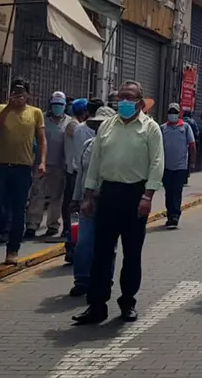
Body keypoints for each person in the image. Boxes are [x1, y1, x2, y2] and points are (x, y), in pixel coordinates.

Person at [73, 80, 164, 325]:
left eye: (130, 97)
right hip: (108, 193)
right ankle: (96, 305)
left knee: (132, 254)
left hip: (135, 196)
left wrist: (148, 195)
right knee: (101, 253)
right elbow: (96, 161)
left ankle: (127, 303)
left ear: (140, 101)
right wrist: (89, 194)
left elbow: (157, 163)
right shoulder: (107, 126)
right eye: (121, 97)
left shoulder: (150, 128)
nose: (124, 101)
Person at [0, 78, 46, 267]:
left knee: (18, 211)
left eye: (22, 92)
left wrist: (42, 162)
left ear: (28, 94)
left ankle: (12, 250)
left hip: (23, 168)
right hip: (1, 167)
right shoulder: (1, 109)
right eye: (15, 92)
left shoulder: (35, 113)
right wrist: (8, 106)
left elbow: (42, 139)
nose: (18, 95)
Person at [68, 104, 116, 297]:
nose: (100, 128)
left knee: (108, 244)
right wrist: (75, 198)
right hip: (87, 201)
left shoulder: (117, 148)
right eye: (97, 125)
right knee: (84, 242)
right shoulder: (88, 146)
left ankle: (106, 279)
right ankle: (81, 279)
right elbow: (81, 173)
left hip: (109, 201)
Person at [26, 91, 74, 238]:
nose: (57, 108)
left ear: (65, 106)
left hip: (59, 165)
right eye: (55, 105)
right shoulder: (42, 119)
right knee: (37, 195)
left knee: (56, 197)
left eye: (60, 105)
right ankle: (32, 225)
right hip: (41, 163)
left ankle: (53, 225)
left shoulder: (69, 122)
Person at [63, 98, 91, 261]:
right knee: (85, 214)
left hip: (73, 173)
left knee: (74, 213)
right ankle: (77, 246)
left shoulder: (75, 127)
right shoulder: (82, 128)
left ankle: (71, 245)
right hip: (84, 175)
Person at [161, 103, 197, 229]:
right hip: (166, 166)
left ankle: (175, 215)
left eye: (175, 112)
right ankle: (170, 214)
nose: (172, 114)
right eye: (170, 111)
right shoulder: (163, 128)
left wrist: (192, 162)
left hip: (181, 166)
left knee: (177, 190)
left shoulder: (185, 127)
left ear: (179, 113)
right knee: (168, 192)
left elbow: (192, 145)